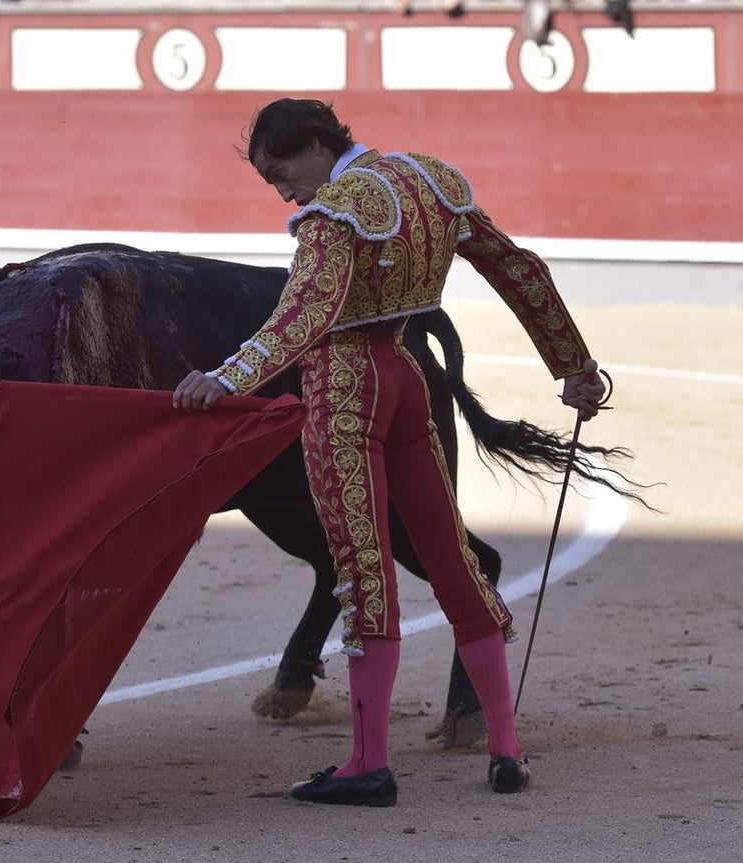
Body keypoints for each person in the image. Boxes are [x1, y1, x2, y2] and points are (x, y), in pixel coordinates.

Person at [173, 98, 606, 804]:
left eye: (282, 171)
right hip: (406, 374)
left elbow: (302, 316)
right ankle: (506, 746)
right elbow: (517, 268)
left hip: (347, 386)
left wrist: (227, 377)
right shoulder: (430, 179)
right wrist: (575, 367)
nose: (283, 191)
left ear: (315, 144)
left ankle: (368, 763)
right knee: (453, 559)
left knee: (362, 569)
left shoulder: (332, 212)